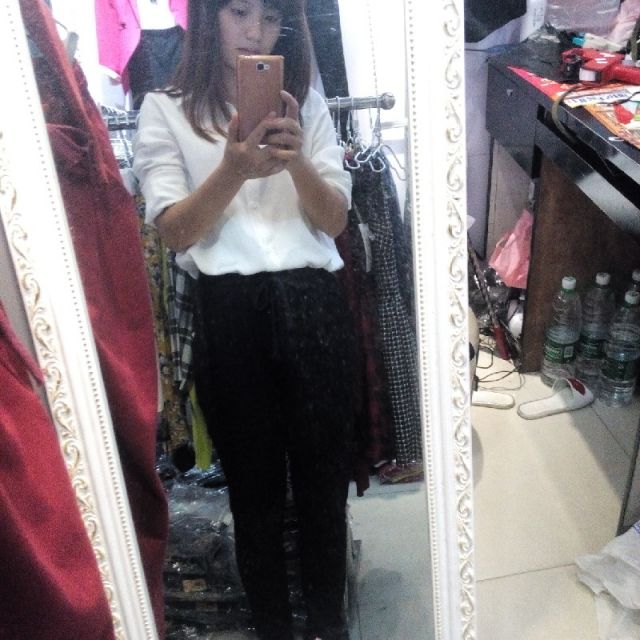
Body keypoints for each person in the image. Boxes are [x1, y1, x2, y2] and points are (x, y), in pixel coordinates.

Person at [132, 1, 356, 638]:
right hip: (229, 315)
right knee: (254, 500)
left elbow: (334, 220)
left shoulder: (306, 105)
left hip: (313, 306)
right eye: (238, 12)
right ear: (209, 17)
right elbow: (175, 231)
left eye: (270, 17)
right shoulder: (165, 110)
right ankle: (274, 630)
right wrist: (232, 170)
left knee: (323, 494)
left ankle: (329, 626)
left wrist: (297, 160)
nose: (256, 31)